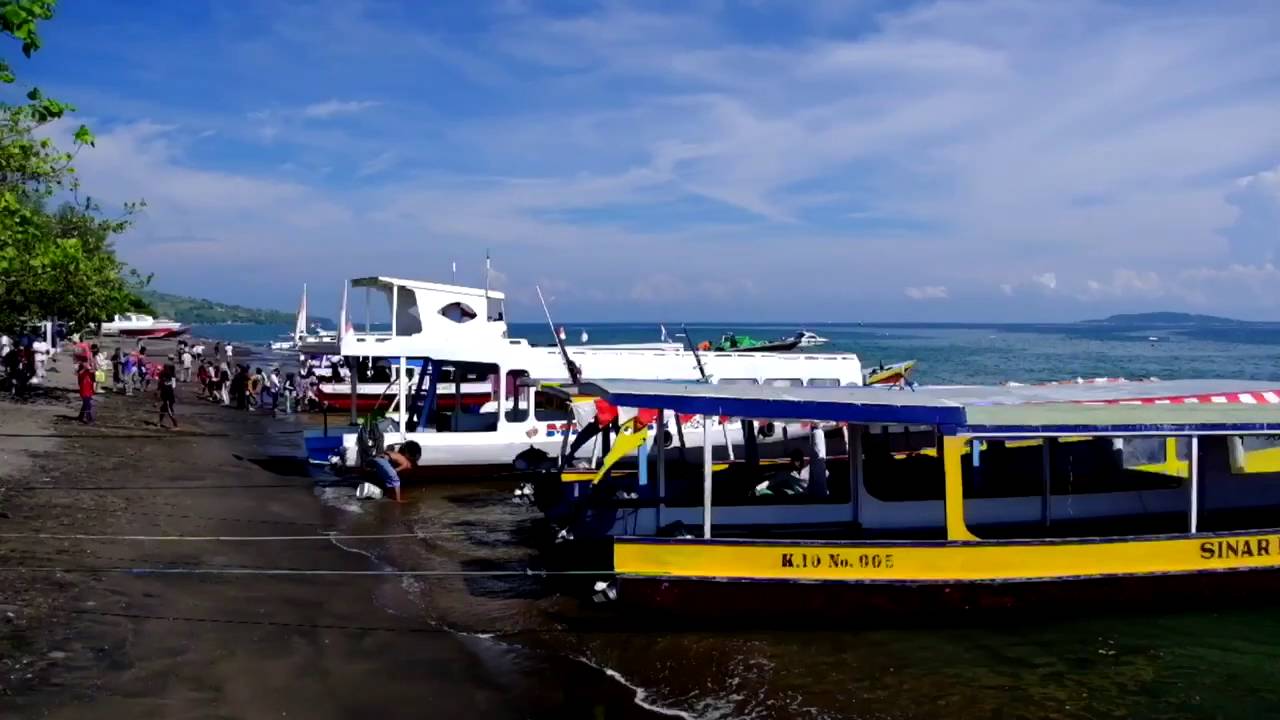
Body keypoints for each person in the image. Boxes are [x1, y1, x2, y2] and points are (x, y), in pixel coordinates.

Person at [75, 355, 96, 424]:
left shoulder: (89, 371)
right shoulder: (81, 371)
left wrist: (91, 367)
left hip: (89, 388)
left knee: (86, 404)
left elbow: (93, 375)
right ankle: (89, 419)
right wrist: (85, 368)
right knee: (87, 404)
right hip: (84, 389)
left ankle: (81, 416)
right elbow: (79, 375)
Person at [157, 364, 178, 428]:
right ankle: (160, 423)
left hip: (167, 398)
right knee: (162, 409)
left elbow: (159, 389)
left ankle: (175, 423)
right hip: (170, 397)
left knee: (169, 411)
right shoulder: (171, 380)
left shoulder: (163, 381)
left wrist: (156, 401)